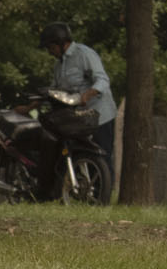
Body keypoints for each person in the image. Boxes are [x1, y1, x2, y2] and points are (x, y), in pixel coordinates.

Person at [39, 21, 116, 190]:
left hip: (100, 115)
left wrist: (86, 95)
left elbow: (103, 80)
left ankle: (105, 195)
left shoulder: (84, 54)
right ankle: (88, 194)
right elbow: (55, 90)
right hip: (78, 119)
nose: (50, 52)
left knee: (102, 155)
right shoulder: (58, 66)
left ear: (60, 44)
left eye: (50, 47)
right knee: (81, 154)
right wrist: (32, 104)